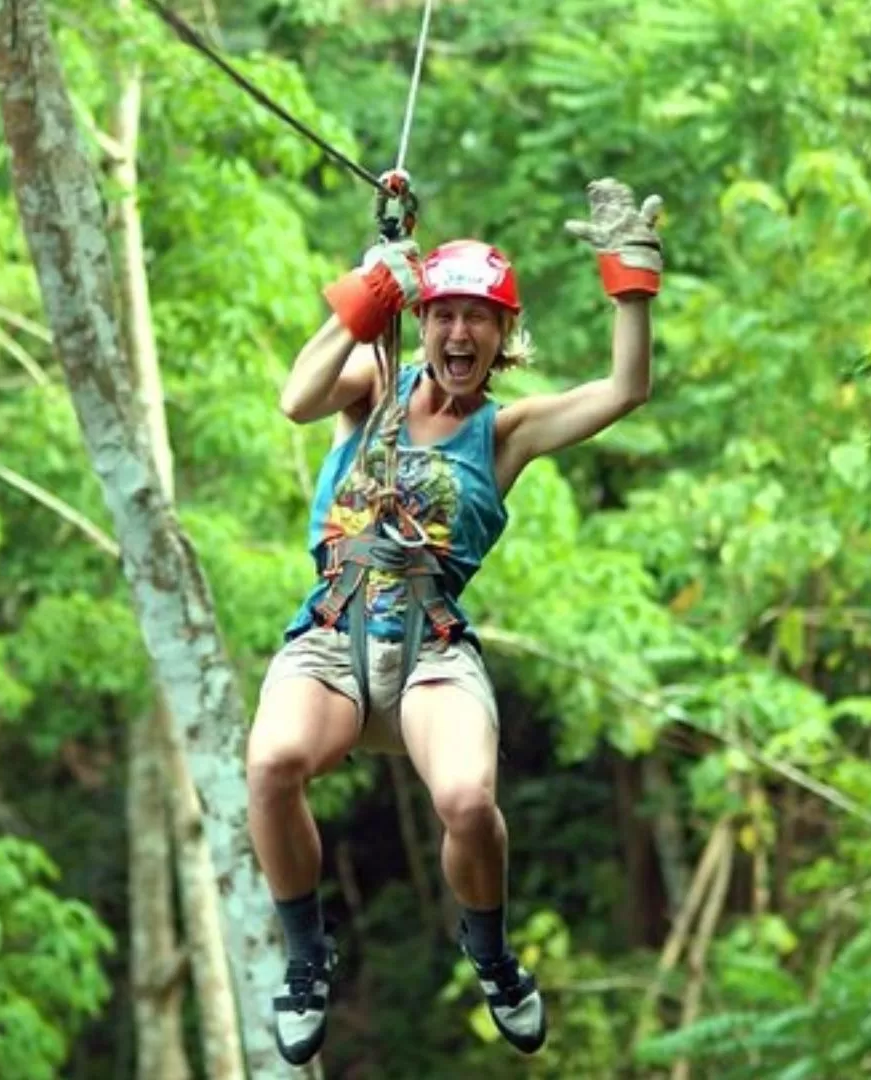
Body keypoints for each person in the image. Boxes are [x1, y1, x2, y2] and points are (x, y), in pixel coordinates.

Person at [245, 176, 664, 1065]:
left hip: (430, 651)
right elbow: (296, 397)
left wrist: (630, 281)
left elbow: (626, 388)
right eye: (443, 316)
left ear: (503, 336)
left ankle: (493, 957)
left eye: (478, 319)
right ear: (425, 322)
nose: (458, 334)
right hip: (333, 634)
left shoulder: (505, 433)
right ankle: (307, 958)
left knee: (469, 801)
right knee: (273, 764)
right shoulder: (374, 381)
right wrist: (368, 296)